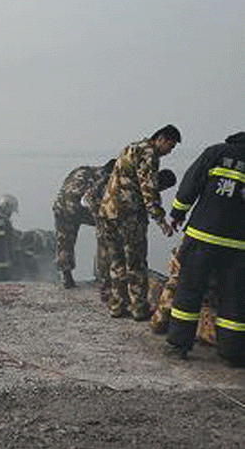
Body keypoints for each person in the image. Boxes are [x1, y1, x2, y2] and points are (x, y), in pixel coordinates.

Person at [165, 132, 245, 366]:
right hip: (239, 246)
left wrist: (177, 213)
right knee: (235, 299)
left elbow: (192, 182)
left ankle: (179, 346)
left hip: (203, 237)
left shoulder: (216, 152)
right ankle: (232, 353)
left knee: (189, 290)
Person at [96, 125, 180, 320]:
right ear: (163, 138)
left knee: (116, 261)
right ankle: (138, 309)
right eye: (171, 146)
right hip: (129, 216)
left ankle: (117, 306)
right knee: (136, 263)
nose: (170, 151)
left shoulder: (130, 147)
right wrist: (161, 221)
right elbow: (148, 189)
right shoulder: (149, 154)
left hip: (108, 212)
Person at [94, 168, 177, 297]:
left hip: (109, 219)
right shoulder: (150, 190)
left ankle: (111, 293)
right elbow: (152, 208)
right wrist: (164, 225)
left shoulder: (132, 178)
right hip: (130, 229)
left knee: (114, 258)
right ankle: (134, 302)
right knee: (134, 264)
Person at [53, 159, 116, 290]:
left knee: (64, 241)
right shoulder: (106, 178)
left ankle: (66, 275)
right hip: (79, 207)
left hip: (61, 207)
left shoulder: (81, 169)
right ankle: (104, 273)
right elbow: (99, 200)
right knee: (105, 232)